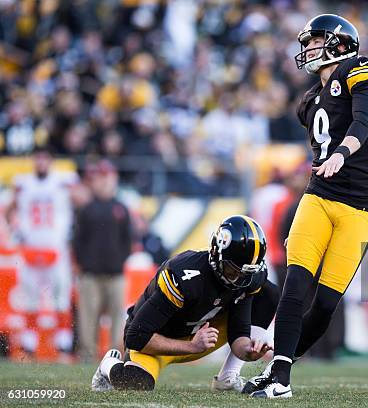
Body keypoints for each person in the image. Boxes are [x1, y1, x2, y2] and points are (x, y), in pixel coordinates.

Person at [246, 14, 368, 398]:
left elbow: (363, 119)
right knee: (296, 286)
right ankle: (280, 378)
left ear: (340, 44)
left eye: (315, 40)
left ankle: (280, 364)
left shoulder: (362, 70)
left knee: (325, 304)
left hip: (361, 203)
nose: (307, 48)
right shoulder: (309, 101)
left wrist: (343, 152)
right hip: (320, 196)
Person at [91, 215, 278, 391]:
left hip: (203, 335)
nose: (239, 279)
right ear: (216, 254)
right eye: (232, 270)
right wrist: (192, 346)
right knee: (135, 382)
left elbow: (238, 332)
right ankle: (108, 364)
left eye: (245, 273)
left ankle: (228, 376)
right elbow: (136, 336)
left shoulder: (248, 278)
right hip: (158, 339)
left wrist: (249, 351)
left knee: (268, 293)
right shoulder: (184, 276)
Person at [7, 147, 78, 356]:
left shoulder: (63, 181)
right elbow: (9, 206)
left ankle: (63, 342)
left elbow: (80, 198)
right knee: (30, 296)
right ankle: (29, 343)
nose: (41, 163)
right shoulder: (23, 183)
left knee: (61, 296)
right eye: (37, 158)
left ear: (51, 161)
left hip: (56, 246)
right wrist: (15, 228)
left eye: (44, 158)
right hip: (31, 246)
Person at [73, 160, 132, 362]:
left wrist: (120, 261)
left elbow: (128, 240)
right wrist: (84, 264)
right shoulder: (86, 209)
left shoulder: (122, 208)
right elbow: (77, 241)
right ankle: (87, 353)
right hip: (91, 273)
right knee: (88, 316)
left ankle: (114, 355)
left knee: (118, 317)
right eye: (101, 177)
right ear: (94, 181)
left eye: (108, 177)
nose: (105, 182)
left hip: (116, 273)